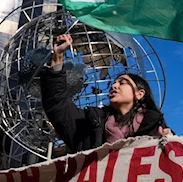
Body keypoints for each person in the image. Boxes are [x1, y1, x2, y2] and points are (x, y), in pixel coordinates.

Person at [41, 34, 171, 154]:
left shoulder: (156, 128)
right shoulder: (89, 125)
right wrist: (58, 56)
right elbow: (58, 105)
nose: (114, 86)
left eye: (122, 83)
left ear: (140, 94)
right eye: (114, 83)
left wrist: (170, 145)